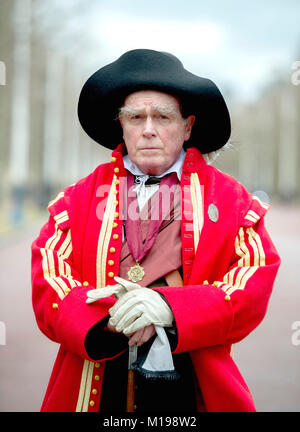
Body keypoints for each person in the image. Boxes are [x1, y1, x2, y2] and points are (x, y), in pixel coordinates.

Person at [31, 49, 281, 412]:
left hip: (192, 383)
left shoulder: (233, 201)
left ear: (187, 126)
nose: (148, 129)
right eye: (136, 117)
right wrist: (111, 317)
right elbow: (48, 277)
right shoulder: (75, 199)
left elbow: (253, 280)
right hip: (97, 375)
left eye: (162, 116)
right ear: (122, 125)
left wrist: (168, 308)